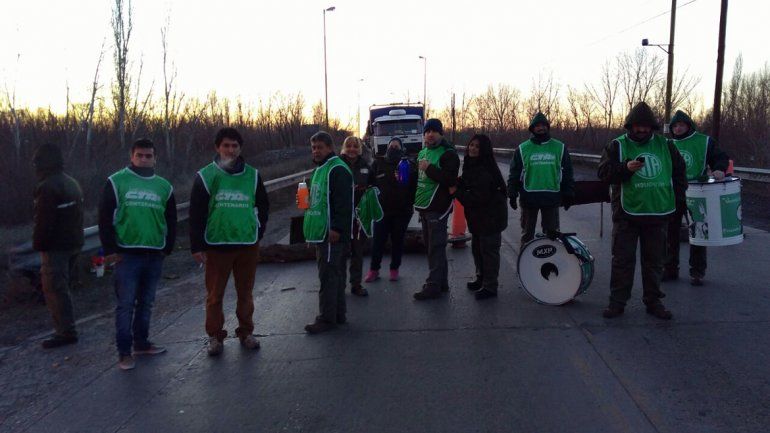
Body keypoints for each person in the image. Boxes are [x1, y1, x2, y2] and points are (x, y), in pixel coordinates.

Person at [598, 102, 687, 320]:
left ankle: (654, 301)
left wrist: (676, 200)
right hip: (626, 215)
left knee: (655, 262)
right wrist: (624, 169)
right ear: (630, 126)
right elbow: (604, 173)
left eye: (646, 126)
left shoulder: (666, 145)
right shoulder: (617, 146)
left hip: (658, 213)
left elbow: (679, 174)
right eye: (637, 126)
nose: (642, 130)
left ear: (652, 127)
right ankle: (617, 303)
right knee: (622, 261)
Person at [190, 127, 269, 356]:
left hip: (247, 244)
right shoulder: (206, 175)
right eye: (226, 145)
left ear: (240, 148)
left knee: (246, 293)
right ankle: (215, 336)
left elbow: (263, 205)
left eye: (235, 146)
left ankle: (246, 332)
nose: (230, 150)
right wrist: (197, 246)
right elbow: (197, 213)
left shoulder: (252, 175)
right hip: (217, 245)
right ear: (218, 147)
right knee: (215, 296)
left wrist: (259, 230)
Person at [98, 139, 177, 370]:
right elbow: (104, 218)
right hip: (126, 254)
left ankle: (142, 343)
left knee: (147, 303)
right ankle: (124, 352)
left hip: (154, 253)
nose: (144, 159)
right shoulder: (116, 181)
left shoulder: (164, 186)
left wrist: (167, 247)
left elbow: (171, 219)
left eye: (149, 155)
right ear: (132, 156)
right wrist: (111, 250)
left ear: (155, 158)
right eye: (140, 155)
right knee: (125, 304)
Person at [664, 110, 729, 286]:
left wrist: (720, 169)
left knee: (698, 231)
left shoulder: (703, 141)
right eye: (675, 126)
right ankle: (670, 268)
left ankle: (697, 271)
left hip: (697, 192)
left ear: (689, 125)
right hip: (673, 192)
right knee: (671, 232)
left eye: (681, 125)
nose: (678, 128)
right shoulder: (666, 143)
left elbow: (720, 157)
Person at [32, 143, 84, 349]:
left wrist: (38, 245)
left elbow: (43, 221)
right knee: (63, 288)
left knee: (54, 289)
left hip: (56, 247)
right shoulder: (71, 182)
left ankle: (65, 332)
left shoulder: (47, 187)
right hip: (74, 242)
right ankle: (67, 328)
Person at [302, 131, 354, 334]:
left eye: (320, 147)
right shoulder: (319, 170)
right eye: (313, 147)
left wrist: (337, 228)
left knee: (329, 276)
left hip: (331, 233)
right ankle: (338, 314)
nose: (316, 151)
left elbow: (343, 203)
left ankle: (326, 318)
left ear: (330, 148)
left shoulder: (337, 169)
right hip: (321, 230)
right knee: (335, 274)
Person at [507, 112, 574, 246]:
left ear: (547, 127)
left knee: (552, 236)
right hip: (529, 198)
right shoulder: (522, 148)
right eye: (537, 126)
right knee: (527, 235)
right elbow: (514, 173)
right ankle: (526, 265)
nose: (541, 128)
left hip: (552, 197)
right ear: (532, 129)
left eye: (543, 125)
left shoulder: (559, 147)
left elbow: (567, 173)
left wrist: (568, 193)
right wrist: (512, 194)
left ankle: (552, 264)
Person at [455, 134, 508, 300]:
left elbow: (477, 198)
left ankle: (490, 286)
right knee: (477, 249)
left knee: (489, 252)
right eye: (471, 145)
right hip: (478, 219)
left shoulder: (485, 170)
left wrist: (456, 191)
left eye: (477, 147)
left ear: (484, 150)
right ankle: (481, 278)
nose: (473, 149)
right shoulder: (471, 165)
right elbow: (467, 184)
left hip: (491, 218)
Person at [413, 119, 460, 300]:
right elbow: (420, 178)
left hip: (438, 207)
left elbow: (450, 179)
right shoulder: (423, 152)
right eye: (427, 131)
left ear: (441, 133)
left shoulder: (448, 154)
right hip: (424, 206)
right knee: (432, 247)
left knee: (436, 247)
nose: (430, 134)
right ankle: (442, 283)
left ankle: (432, 285)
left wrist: (430, 168)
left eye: (434, 131)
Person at [365, 137, 417, 283]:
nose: (393, 148)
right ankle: (373, 270)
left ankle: (394, 269)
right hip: (381, 211)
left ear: (402, 149)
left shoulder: (408, 164)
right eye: (391, 146)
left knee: (397, 241)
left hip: (402, 211)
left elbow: (414, 187)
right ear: (387, 148)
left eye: (396, 146)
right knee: (377, 242)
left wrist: (410, 203)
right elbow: (368, 183)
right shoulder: (378, 163)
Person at [339, 136, 375, 296]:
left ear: (359, 149)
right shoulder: (337, 165)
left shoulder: (366, 166)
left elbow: (374, 187)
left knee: (357, 252)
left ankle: (356, 284)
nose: (352, 149)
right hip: (341, 215)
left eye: (355, 146)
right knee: (340, 252)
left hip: (360, 216)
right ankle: (339, 285)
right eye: (349, 146)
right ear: (344, 148)